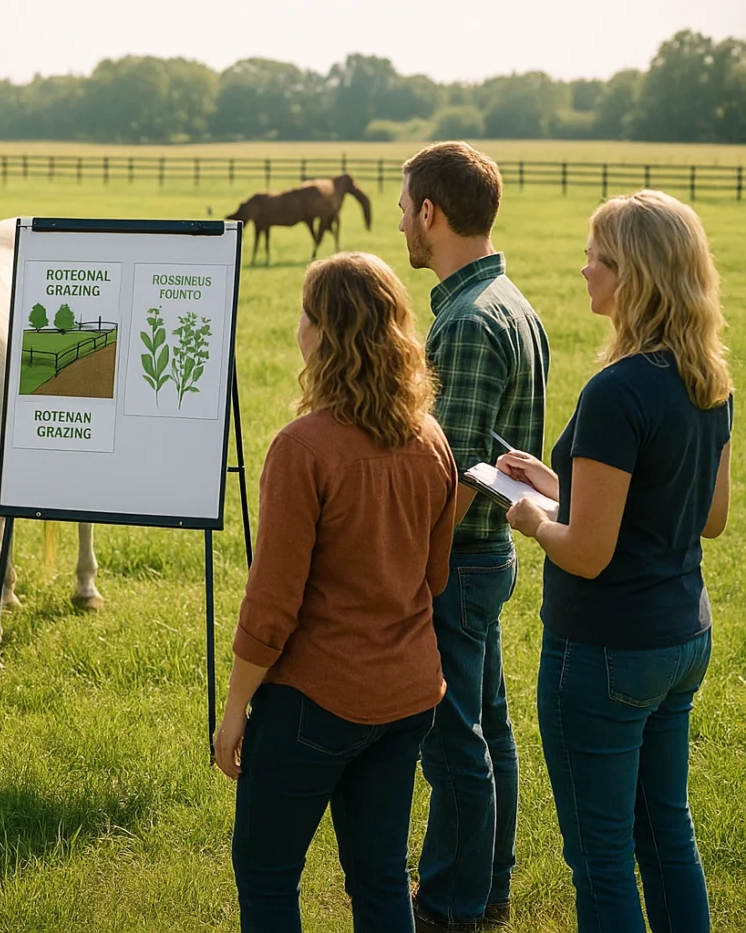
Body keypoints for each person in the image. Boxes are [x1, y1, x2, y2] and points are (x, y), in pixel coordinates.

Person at [498, 190, 730, 933]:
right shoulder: (708, 380)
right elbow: (705, 514)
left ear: (631, 273)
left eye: (595, 256)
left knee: (600, 855)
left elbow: (589, 553)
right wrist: (565, 485)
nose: (584, 268)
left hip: (603, 650)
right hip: (681, 639)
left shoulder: (614, 391)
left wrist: (536, 519)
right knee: (668, 835)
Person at [215, 252, 458, 933]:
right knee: (380, 878)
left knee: (266, 877)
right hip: (408, 695)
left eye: (305, 313)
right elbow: (433, 577)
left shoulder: (303, 448)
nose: (298, 326)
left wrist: (235, 711)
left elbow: (271, 609)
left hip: (314, 703)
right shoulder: (431, 440)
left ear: (326, 333)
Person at [397, 141, 550, 931]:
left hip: (458, 559)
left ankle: (451, 906)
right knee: (489, 729)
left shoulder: (464, 321)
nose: (400, 222)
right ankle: (491, 889)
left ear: (431, 212)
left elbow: (451, 476)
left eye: (404, 207)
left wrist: (417, 574)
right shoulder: (514, 302)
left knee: (453, 743)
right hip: (495, 552)